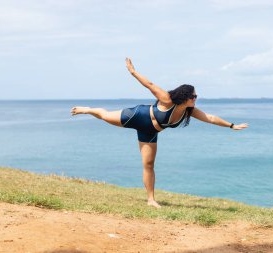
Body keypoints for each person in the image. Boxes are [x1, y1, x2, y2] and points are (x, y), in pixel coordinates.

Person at [71, 58, 249, 208]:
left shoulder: (189, 111)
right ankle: (87, 109)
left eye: (196, 97)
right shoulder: (167, 99)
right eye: (193, 96)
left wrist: (232, 125)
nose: (195, 99)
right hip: (137, 116)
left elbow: (210, 118)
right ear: (185, 96)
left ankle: (151, 199)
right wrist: (133, 71)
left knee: (148, 164)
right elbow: (149, 84)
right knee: (104, 115)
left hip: (150, 131)